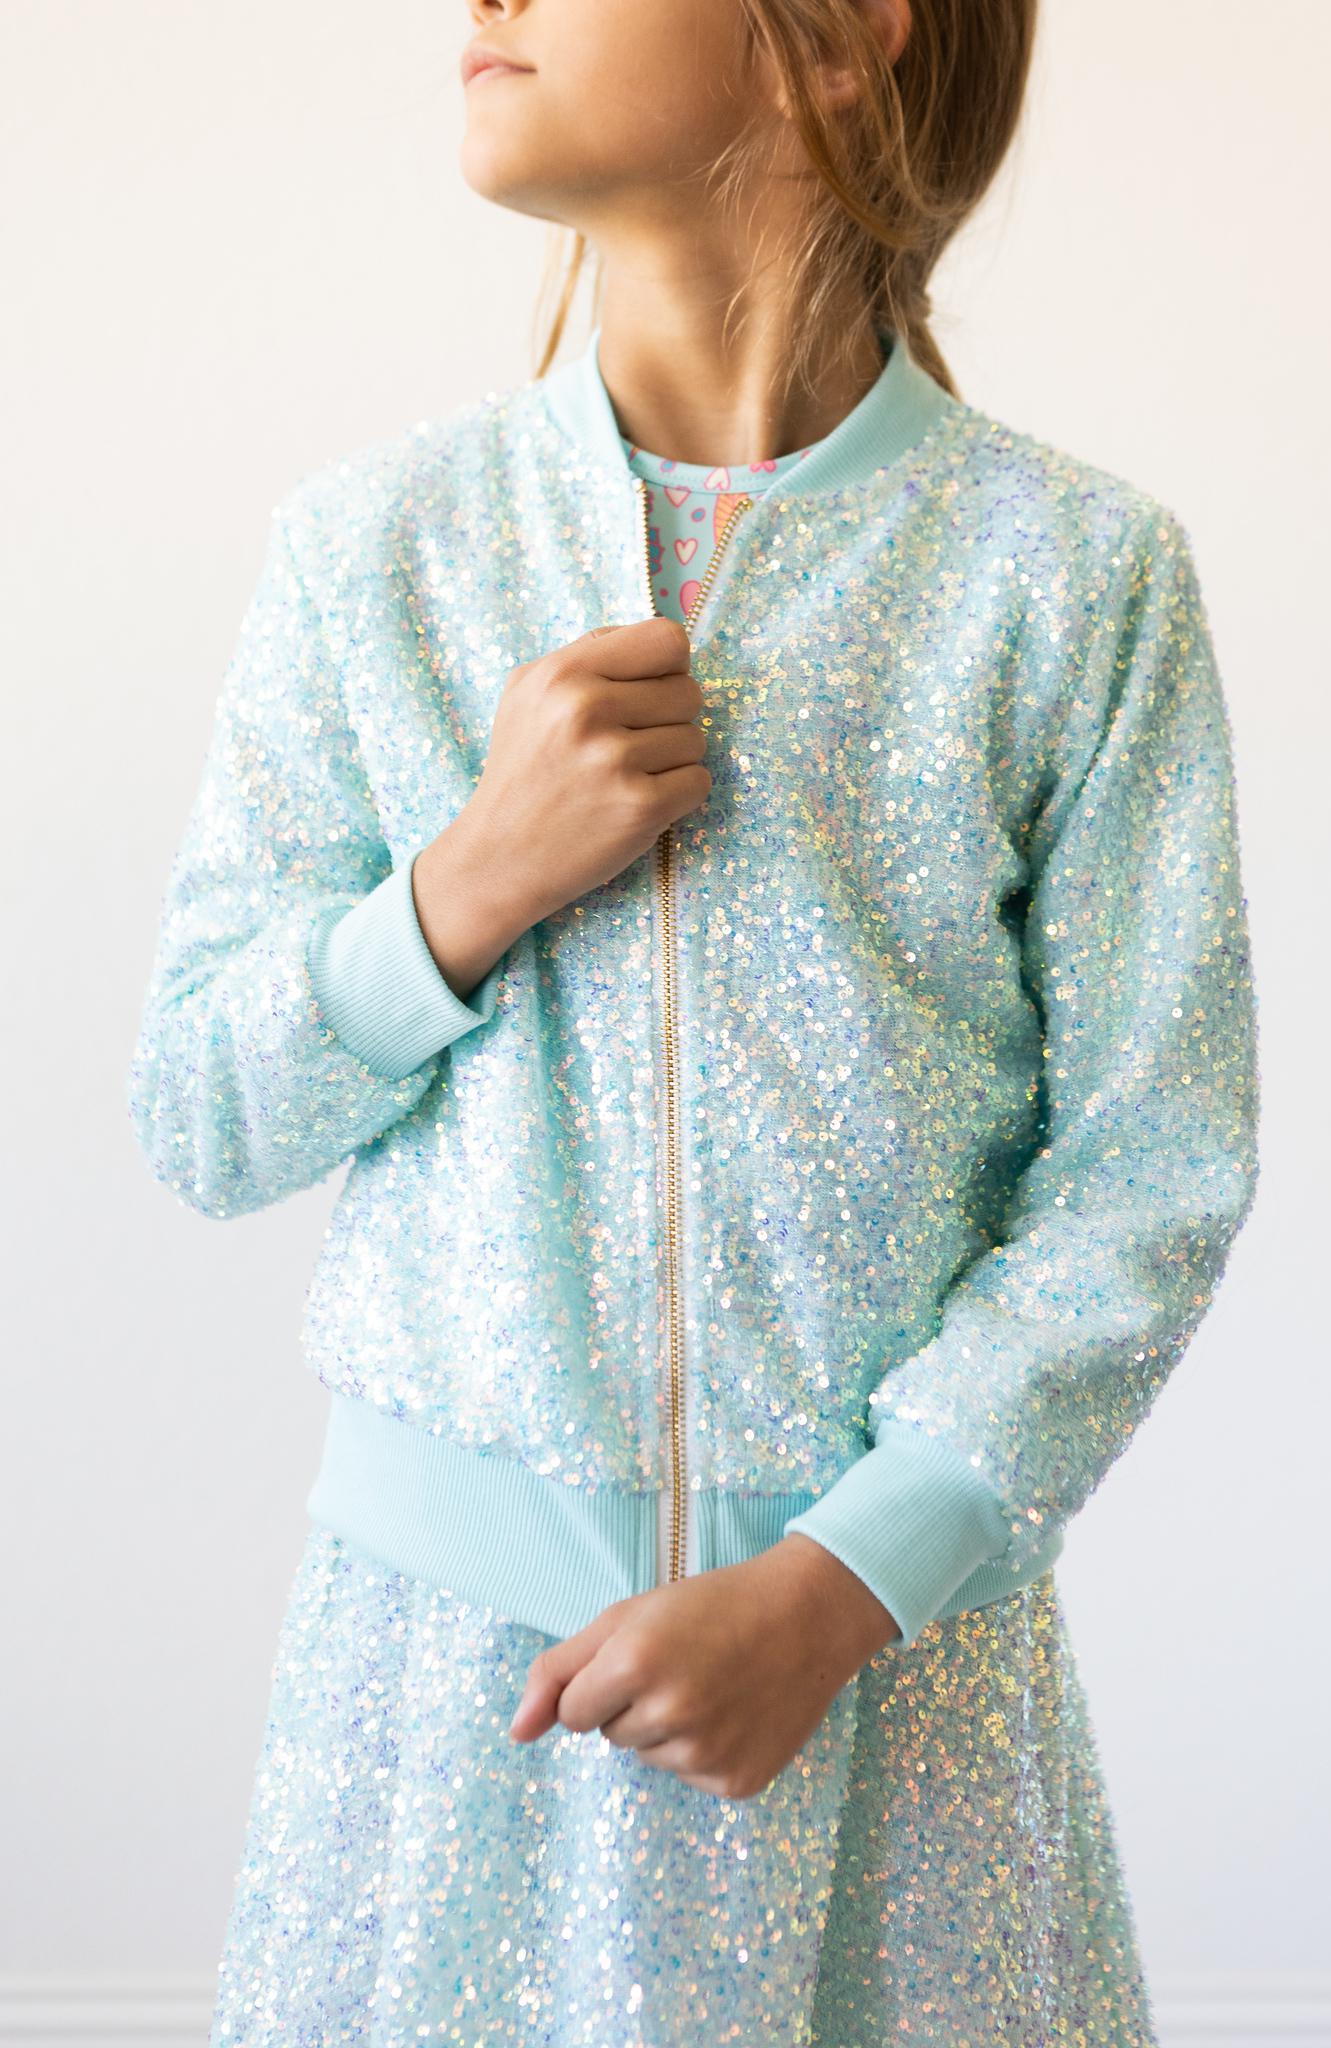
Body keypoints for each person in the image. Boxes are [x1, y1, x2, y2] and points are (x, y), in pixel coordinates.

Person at [125, 0, 1261, 2039]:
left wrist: (844, 1582)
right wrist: (464, 885)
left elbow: (1150, 1170)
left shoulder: (1071, 583)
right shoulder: (375, 551)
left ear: (836, 34)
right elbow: (202, 1112)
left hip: (898, 1707)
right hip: (446, 1725)